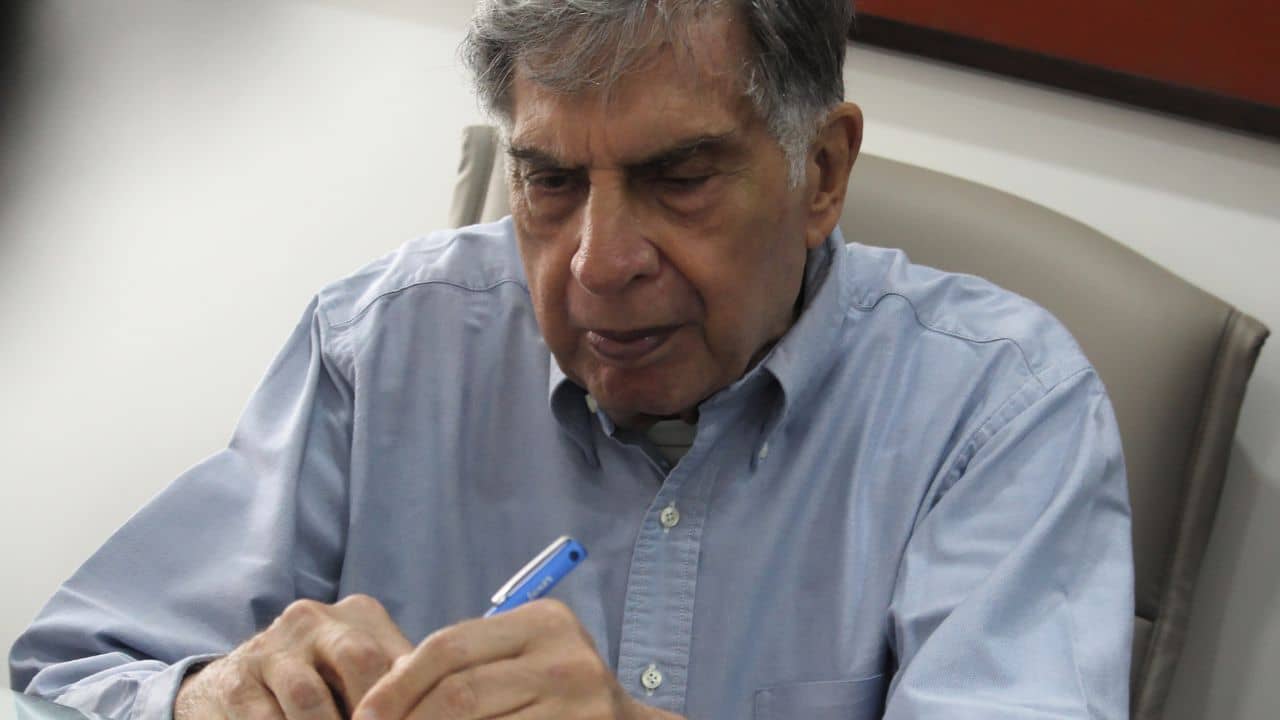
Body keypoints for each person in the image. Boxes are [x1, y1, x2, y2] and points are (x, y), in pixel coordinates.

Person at [9, 1, 1134, 718]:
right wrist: (205, 697)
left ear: (823, 172)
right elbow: (65, 675)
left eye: (678, 179)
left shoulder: (995, 408)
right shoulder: (382, 344)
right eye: (548, 182)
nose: (598, 263)